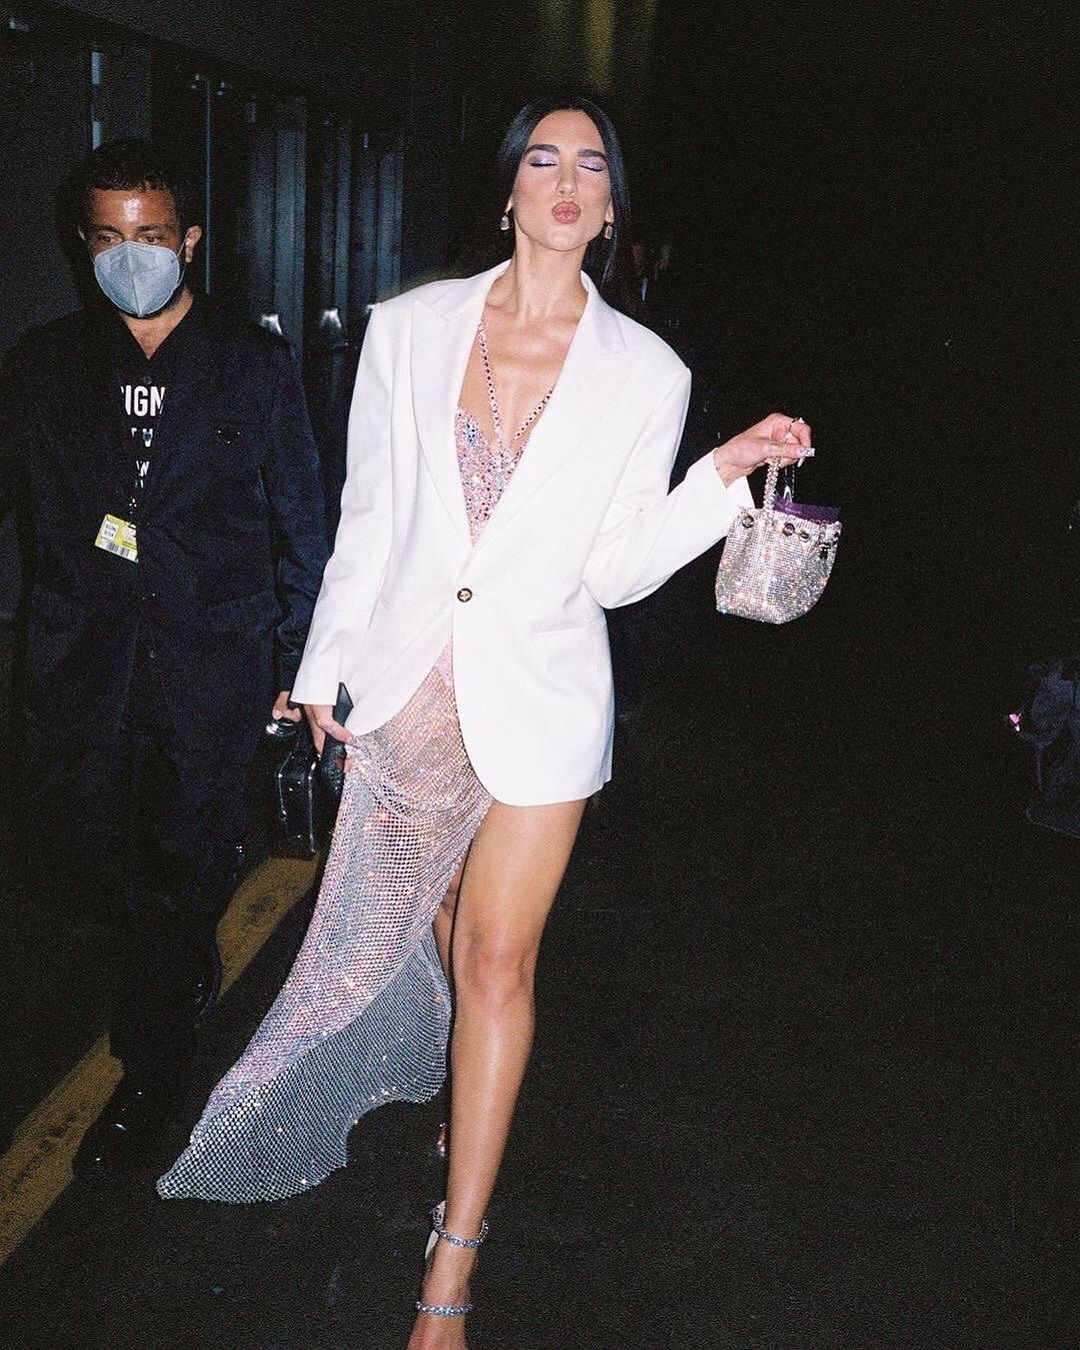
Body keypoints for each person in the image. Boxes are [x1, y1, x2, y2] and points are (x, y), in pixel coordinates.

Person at [157, 98, 811, 1347]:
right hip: (412, 688)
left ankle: (451, 1265)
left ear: (610, 208)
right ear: (508, 188)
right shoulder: (410, 329)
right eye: (543, 159)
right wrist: (323, 669)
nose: (567, 182)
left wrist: (719, 479)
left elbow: (615, 570)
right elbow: (369, 517)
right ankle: (469, 1096)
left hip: (543, 707)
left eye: (592, 167)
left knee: (500, 958)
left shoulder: (647, 373)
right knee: (451, 926)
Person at [0, 139, 327, 1180]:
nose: (129, 255)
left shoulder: (251, 364)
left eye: (149, 235)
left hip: (212, 666)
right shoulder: (45, 367)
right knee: (92, 857)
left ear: (188, 241)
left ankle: (152, 1069)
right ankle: (174, 962)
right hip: (81, 667)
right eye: (108, 238)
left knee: (176, 870)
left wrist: (303, 661)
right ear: (82, 245)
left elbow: (301, 522)